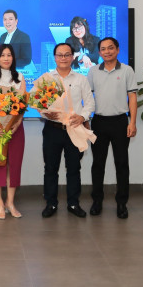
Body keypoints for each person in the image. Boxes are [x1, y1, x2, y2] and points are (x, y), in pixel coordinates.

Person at [40, 43, 95, 219]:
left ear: (72, 57)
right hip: (53, 129)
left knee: (73, 168)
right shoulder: (46, 78)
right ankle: (51, 203)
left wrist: (83, 117)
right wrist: (46, 113)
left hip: (75, 129)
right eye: (60, 55)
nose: (63, 58)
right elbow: (40, 105)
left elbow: (90, 103)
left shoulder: (81, 79)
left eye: (67, 55)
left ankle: (73, 203)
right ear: (55, 57)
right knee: (50, 168)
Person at [86, 37, 137, 219]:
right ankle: (97, 201)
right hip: (99, 122)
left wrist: (132, 122)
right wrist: (85, 120)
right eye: (103, 49)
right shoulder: (93, 71)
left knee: (122, 164)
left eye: (110, 48)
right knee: (98, 164)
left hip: (120, 122)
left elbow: (132, 97)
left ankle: (122, 203)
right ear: (99, 52)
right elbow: (87, 97)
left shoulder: (127, 70)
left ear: (117, 50)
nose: (107, 52)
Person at [0, 44, 26, 219]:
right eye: (2, 55)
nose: (6, 58)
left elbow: (22, 104)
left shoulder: (19, 77)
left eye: (9, 55)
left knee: (14, 166)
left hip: (15, 129)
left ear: (13, 58)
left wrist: (17, 123)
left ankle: (10, 202)